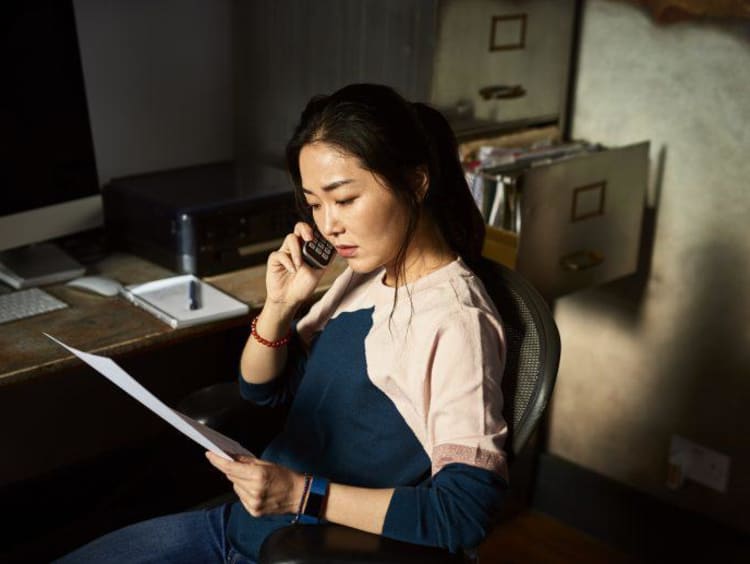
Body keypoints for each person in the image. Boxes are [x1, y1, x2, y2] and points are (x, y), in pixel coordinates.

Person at [56, 83, 508, 564]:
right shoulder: (366, 274)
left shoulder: (456, 322)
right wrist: (279, 306)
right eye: (315, 204)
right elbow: (262, 391)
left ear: (416, 183)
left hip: (307, 550)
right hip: (244, 525)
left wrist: (301, 494)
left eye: (345, 198)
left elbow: (463, 513)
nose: (329, 224)